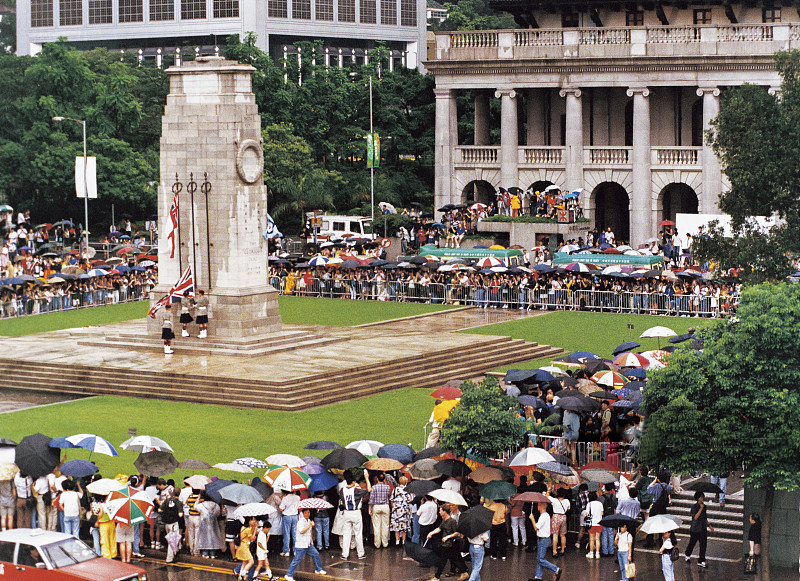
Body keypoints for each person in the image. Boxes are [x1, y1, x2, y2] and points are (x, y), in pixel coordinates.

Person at [426, 503, 468, 581]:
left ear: (444, 512)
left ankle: (437, 577)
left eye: (440, 510)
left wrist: (447, 537)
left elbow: (457, 532)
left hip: (451, 544)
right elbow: (439, 528)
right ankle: (464, 572)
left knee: (444, 560)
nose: (439, 512)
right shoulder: (444, 520)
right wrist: (431, 533)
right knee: (454, 559)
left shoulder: (452, 521)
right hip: (446, 544)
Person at [338, 469, 372, 560]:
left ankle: (345, 554)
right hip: (356, 512)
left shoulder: (342, 490)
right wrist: (367, 478)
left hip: (346, 513)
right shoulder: (356, 490)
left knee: (346, 534)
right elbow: (369, 489)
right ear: (353, 482)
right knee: (358, 534)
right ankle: (360, 554)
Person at [284, 508, 326, 581]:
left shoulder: (309, 521)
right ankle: (288, 575)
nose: (307, 514)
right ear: (303, 514)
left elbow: (310, 532)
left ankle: (318, 569)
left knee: (316, 554)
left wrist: (311, 541)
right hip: (301, 544)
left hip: (308, 544)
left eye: (308, 512)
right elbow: (302, 531)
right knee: (297, 560)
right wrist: (309, 525)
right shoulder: (300, 522)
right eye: (306, 513)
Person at [529, 502, 562, 581]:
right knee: (539, 558)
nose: (537, 506)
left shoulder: (543, 516)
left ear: (541, 506)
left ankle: (556, 569)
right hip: (543, 539)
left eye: (538, 505)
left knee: (540, 559)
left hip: (543, 539)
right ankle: (538, 576)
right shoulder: (545, 515)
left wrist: (532, 519)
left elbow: (536, 527)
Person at [684, 491, 713, 567]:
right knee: (692, 543)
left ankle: (701, 560)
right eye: (701, 497)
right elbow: (695, 517)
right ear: (697, 498)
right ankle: (687, 554)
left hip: (703, 528)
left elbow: (705, 517)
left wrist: (709, 525)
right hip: (695, 528)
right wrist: (700, 508)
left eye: (703, 496)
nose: (702, 498)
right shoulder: (694, 507)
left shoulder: (704, 506)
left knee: (703, 545)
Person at [159, 490, 182, 563]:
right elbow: (180, 514)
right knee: (172, 541)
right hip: (174, 523)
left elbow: (159, 510)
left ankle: (175, 551)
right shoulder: (178, 503)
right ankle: (169, 558)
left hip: (167, 523)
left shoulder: (167, 500)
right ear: (179, 493)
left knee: (171, 539)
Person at [369, 472, 391, 549]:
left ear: (377, 478)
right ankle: (385, 543)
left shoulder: (374, 487)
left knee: (376, 526)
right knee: (385, 525)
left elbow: (371, 499)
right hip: (385, 506)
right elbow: (388, 496)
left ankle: (377, 544)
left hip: (376, 506)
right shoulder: (387, 487)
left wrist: (370, 508)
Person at [389, 476, 413, 546]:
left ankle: (397, 540)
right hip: (404, 509)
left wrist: (393, 507)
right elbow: (409, 500)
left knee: (396, 525)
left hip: (396, 509)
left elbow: (392, 499)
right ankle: (403, 540)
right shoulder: (408, 490)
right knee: (404, 526)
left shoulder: (395, 489)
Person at [548, 487, 570, 558]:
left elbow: (546, 496)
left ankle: (554, 551)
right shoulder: (567, 501)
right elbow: (568, 508)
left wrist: (549, 489)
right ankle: (562, 550)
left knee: (555, 534)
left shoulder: (554, 500)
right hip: (563, 517)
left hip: (556, 517)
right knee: (563, 535)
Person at [280, 490, 300, 556]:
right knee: (295, 534)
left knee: (286, 534)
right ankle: (295, 551)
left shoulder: (285, 498)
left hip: (287, 516)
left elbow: (281, 508)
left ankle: (286, 551)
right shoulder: (298, 497)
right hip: (295, 516)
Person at [584, 491, 604, 559]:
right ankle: (597, 553)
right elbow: (602, 513)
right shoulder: (600, 503)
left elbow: (587, 514)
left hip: (592, 524)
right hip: (599, 523)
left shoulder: (589, 504)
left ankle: (591, 553)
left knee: (591, 539)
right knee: (597, 539)